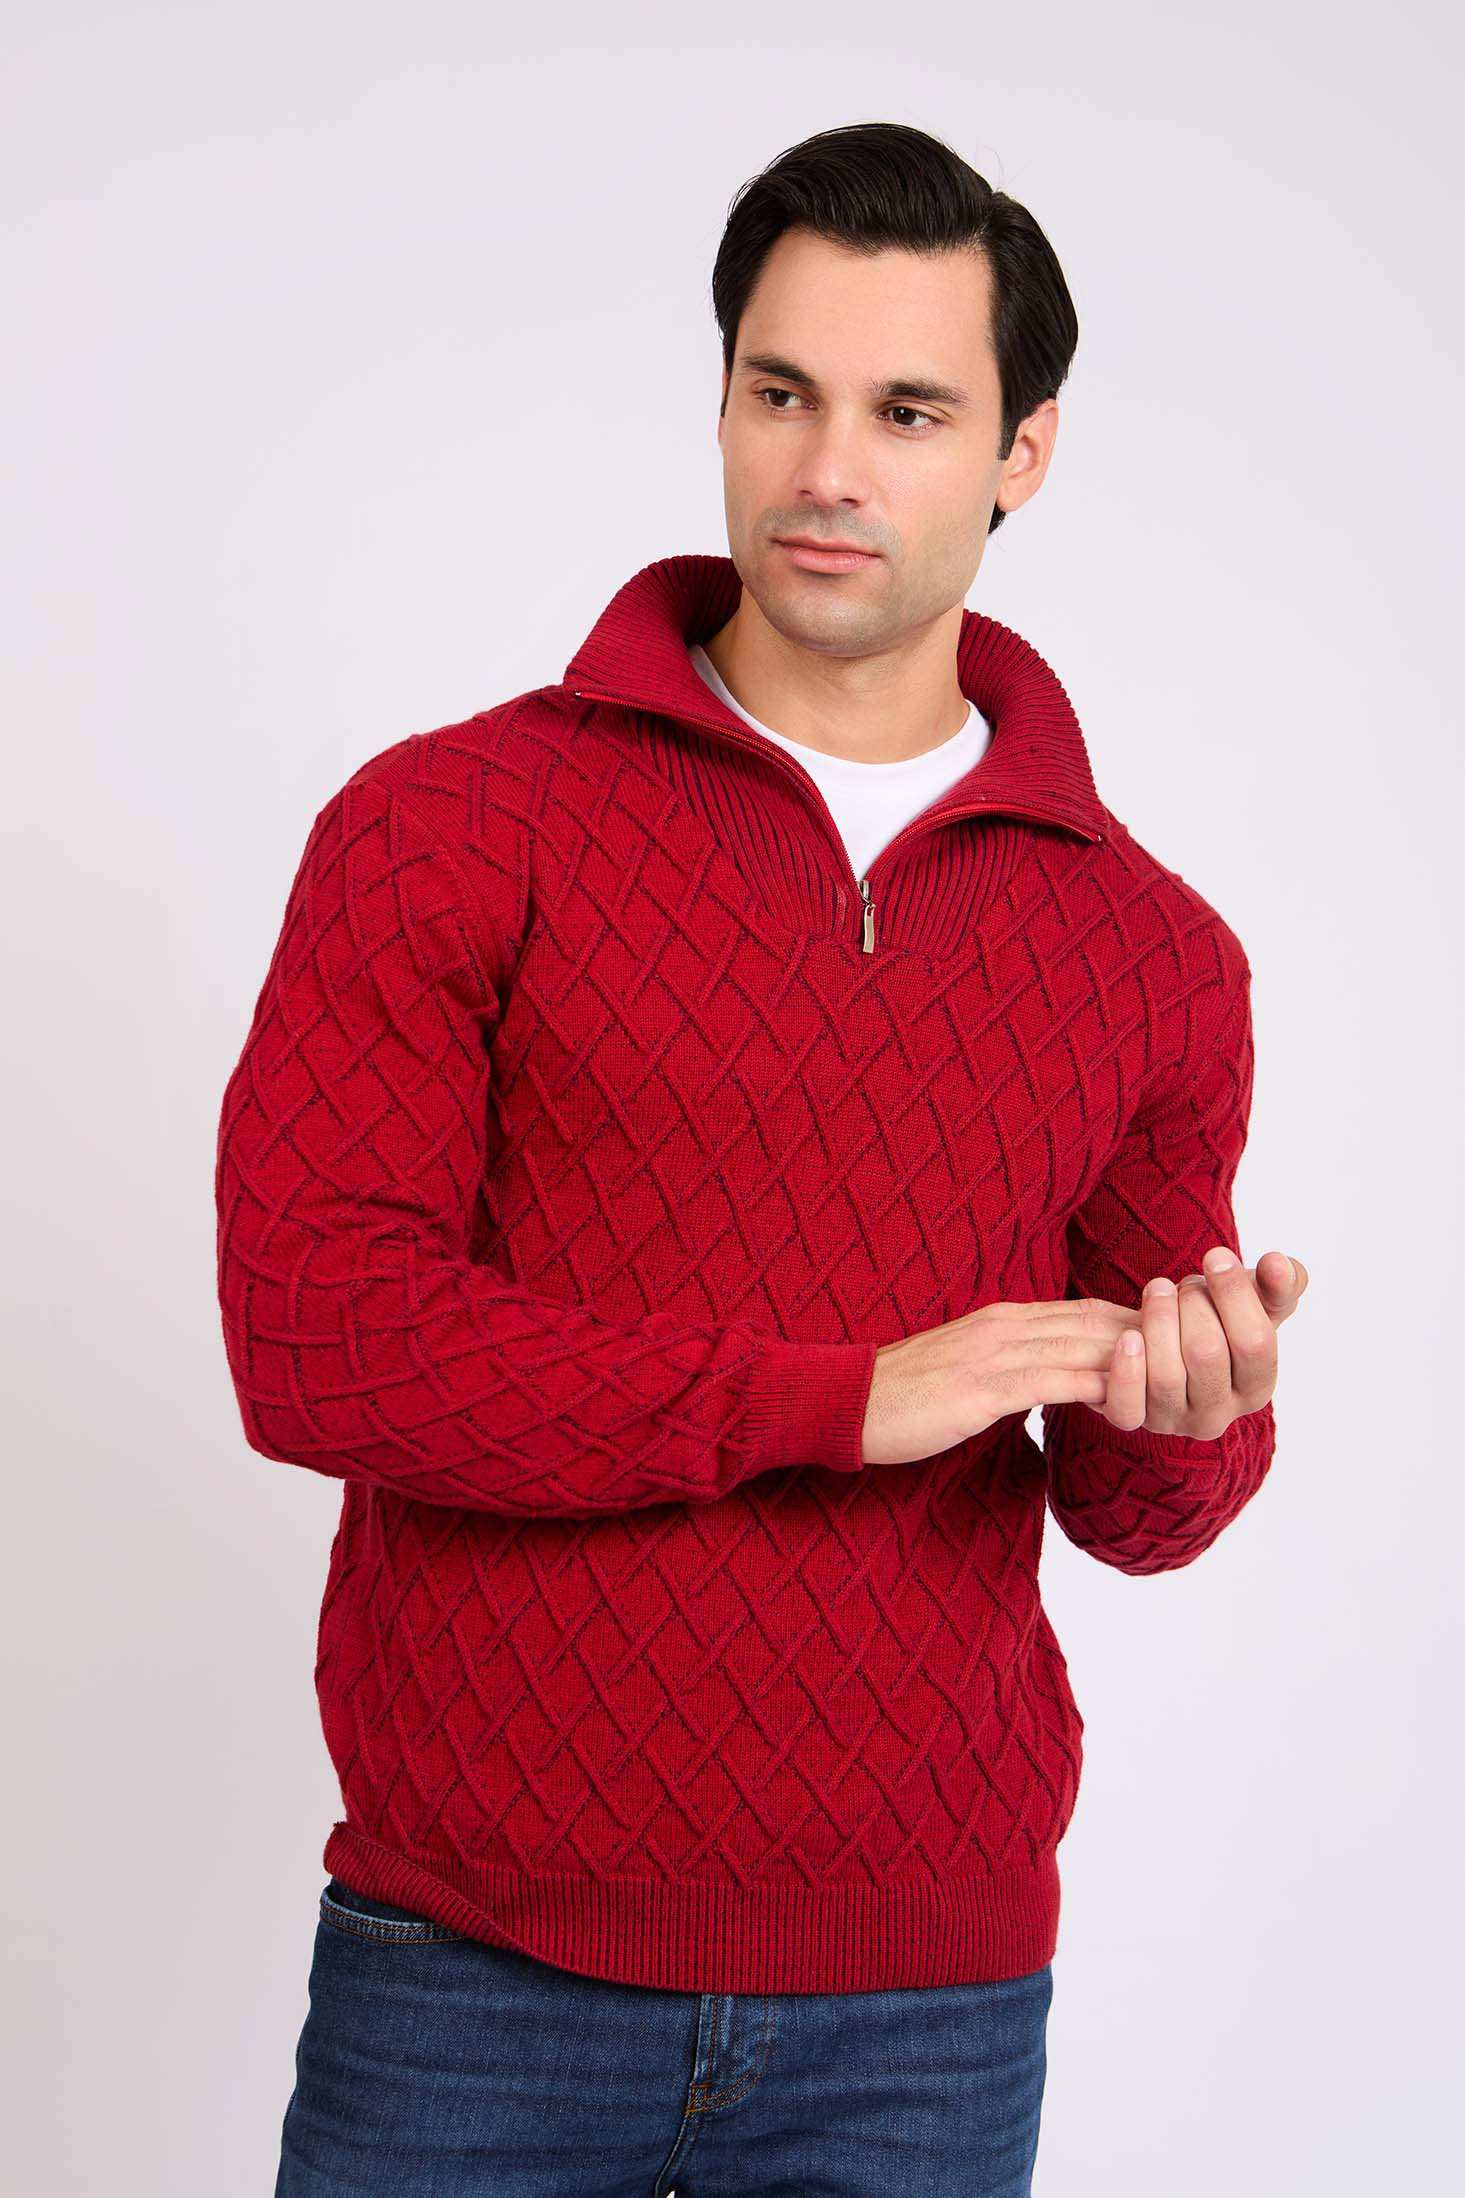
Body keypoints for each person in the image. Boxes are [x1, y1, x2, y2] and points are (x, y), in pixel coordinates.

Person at [216, 119, 1307, 2198]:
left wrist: (1193, 1418)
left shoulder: (1149, 950)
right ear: (720, 400)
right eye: (779, 392)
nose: (826, 468)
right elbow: (318, 1339)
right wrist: (831, 1397)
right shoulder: (450, 827)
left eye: (908, 412)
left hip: (926, 2006)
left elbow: (1135, 1506)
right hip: (474, 1972)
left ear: (1021, 451)